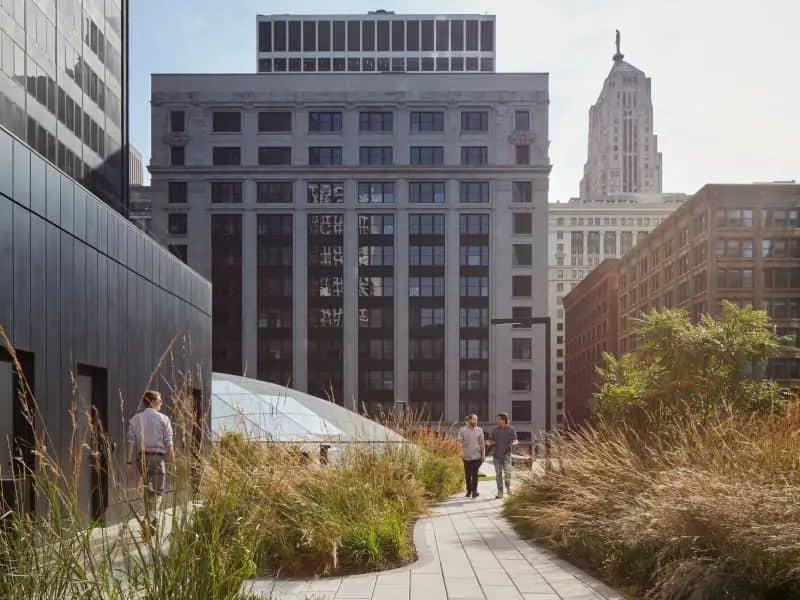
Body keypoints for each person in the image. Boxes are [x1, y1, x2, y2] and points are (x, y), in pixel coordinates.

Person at [126, 390, 174, 532]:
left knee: (148, 490)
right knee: (158, 491)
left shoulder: (135, 419)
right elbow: (169, 441)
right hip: (158, 458)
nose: (161, 403)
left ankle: (149, 519)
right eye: (159, 401)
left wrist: (129, 462)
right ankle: (153, 519)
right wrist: (172, 461)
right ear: (152, 402)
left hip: (142, 459)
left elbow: (131, 441)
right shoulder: (164, 419)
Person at [489, 412, 517, 499]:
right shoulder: (494, 430)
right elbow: (492, 441)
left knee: (508, 473)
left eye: (499, 419)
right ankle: (500, 492)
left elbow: (516, 440)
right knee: (498, 474)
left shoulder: (511, 429)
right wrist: (489, 443)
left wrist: (512, 443)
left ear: (504, 420)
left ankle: (508, 488)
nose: (497, 421)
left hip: (507, 455)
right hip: (496, 456)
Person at [457, 414, 485, 498]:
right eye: (474, 420)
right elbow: (459, 442)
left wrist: (483, 455)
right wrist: (460, 452)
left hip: (477, 456)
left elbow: (482, 443)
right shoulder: (462, 430)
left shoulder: (480, 430)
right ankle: (469, 490)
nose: (476, 422)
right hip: (466, 456)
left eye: (476, 420)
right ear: (469, 420)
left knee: (474, 473)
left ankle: (474, 491)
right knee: (467, 475)